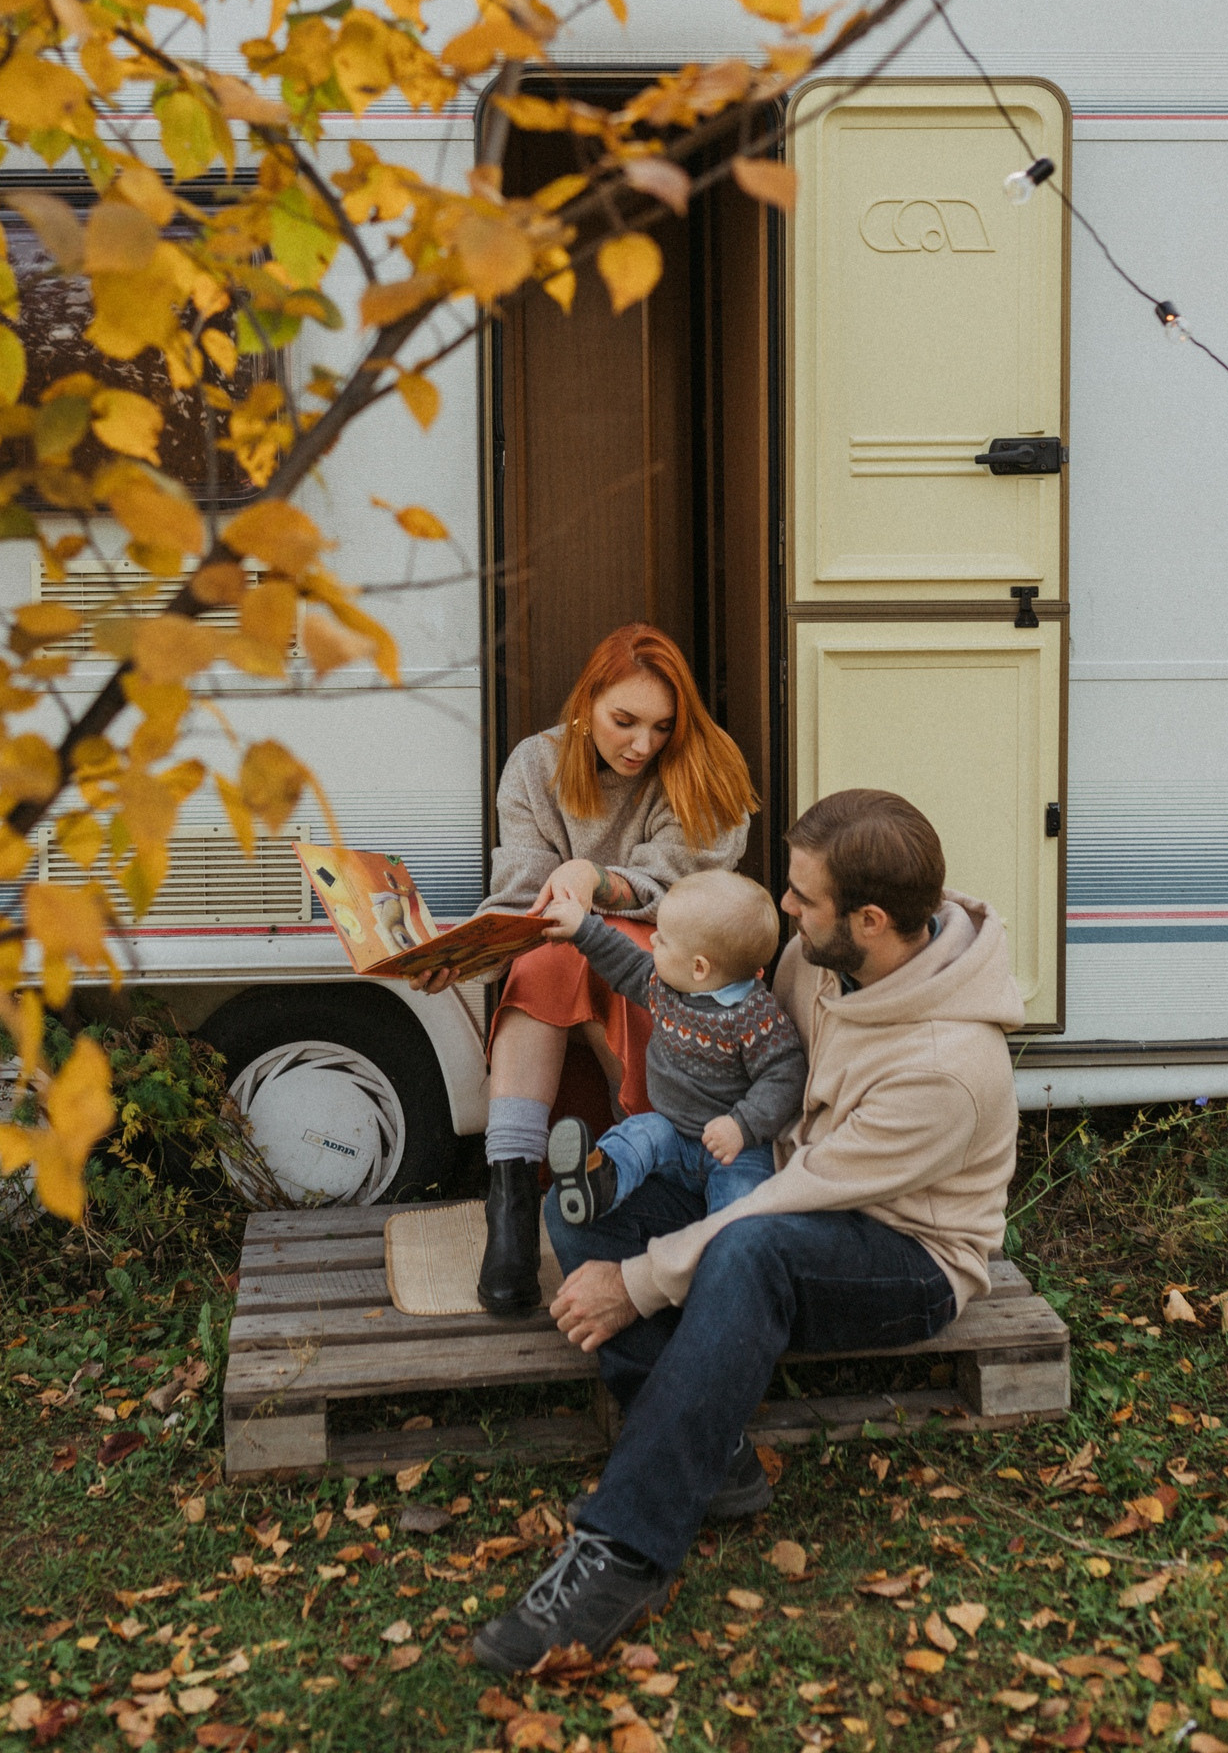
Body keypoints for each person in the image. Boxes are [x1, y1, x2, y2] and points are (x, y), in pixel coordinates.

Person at [474, 789, 1024, 1675]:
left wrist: (641, 1282)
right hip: (770, 1189)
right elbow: (720, 998)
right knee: (585, 1209)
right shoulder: (819, 958)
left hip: (901, 1254)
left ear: (871, 920)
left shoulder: (946, 1069)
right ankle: (716, 1452)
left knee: (745, 1253)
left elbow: (797, 1198)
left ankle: (621, 1556)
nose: (785, 909)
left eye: (803, 897)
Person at [414, 624, 755, 1314]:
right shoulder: (536, 766)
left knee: (596, 941)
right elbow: (521, 900)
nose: (642, 745)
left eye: (662, 726)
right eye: (623, 721)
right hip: (561, 958)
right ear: (586, 702)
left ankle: (637, 1174)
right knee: (548, 950)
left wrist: (596, 881)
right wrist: (460, 958)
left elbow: (690, 886)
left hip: (675, 959)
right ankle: (510, 1205)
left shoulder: (704, 763)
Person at [539, 869, 806, 1224]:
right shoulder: (664, 987)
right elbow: (623, 961)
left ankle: (723, 1249)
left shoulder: (755, 1017)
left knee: (742, 1203)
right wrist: (582, 929)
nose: (651, 943)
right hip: (672, 1133)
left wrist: (741, 1125)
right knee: (638, 1135)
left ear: (699, 967)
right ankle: (600, 1181)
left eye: (662, 940)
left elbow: (786, 1077)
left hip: (736, 1148)